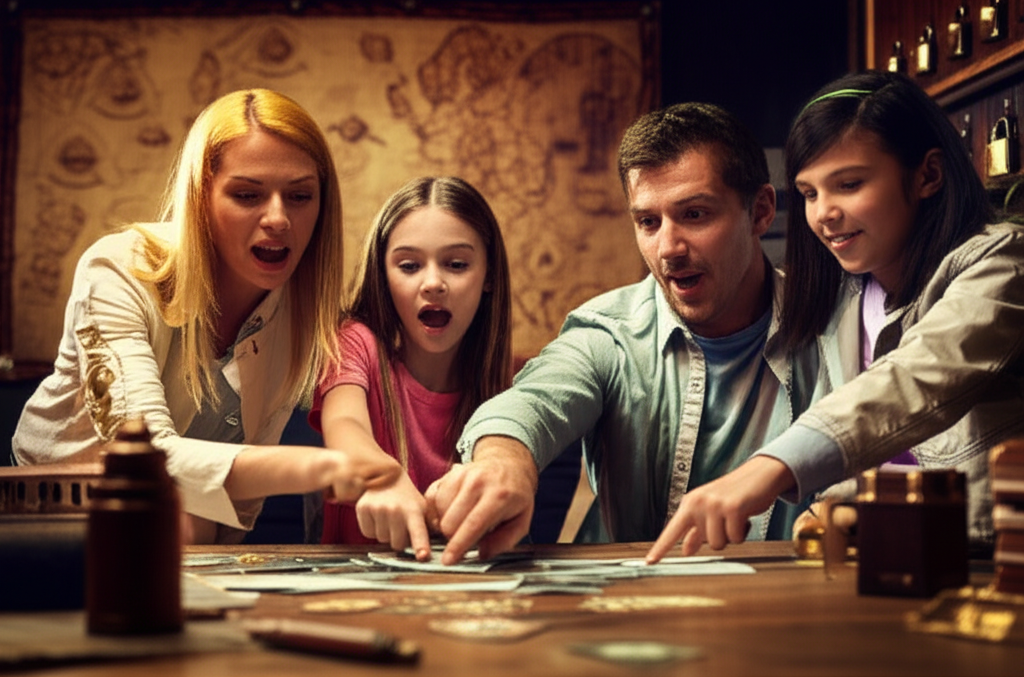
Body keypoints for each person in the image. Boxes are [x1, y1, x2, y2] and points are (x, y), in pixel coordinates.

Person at [425, 102, 828, 565]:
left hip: (775, 609)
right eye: (648, 222)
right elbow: (534, 400)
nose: (668, 248)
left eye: (694, 214)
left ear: (760, 211)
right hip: (619, 606)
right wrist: (502, 463)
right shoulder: (608, 332)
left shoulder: (829, 326)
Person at [648, 70, 1024, 562]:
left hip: (990, 564)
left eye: (848, 184)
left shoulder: (1003, 263)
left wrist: (769, 466)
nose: (824, 213)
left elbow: (914, 380)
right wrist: (832, 504)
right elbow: (887, 460)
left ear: (927, 175)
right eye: (809, 193)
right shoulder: (846, 293)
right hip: (891, 563)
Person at [13, 88, 400, 544]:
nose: (278, 218)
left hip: (191, 522)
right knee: (179, 522)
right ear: (201, 197)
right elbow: (145, 454)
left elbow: (233, 507)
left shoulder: (308, 314)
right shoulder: (118, 268)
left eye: (299, 196)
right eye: (247, 194)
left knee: (190, 523)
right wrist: (324, 465)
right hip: (40, 512)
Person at [308, 176, 512, 560]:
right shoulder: (355, 342)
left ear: (488, 277)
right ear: (383, 278)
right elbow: (344, 425)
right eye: (408, 265)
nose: (433, 283)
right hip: (355, 591)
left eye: (456, 264)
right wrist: (381, 476)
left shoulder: (500, 387)